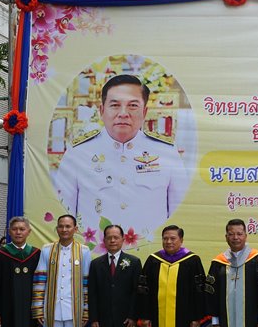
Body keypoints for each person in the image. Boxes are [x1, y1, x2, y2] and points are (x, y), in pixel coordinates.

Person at [55, 74, 190, 241]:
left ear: (144, 112)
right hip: (95, 253)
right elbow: (63, 212)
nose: (123, 113)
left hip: (151, 253)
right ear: (102, 110)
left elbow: (180, 212)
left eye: (133, 105)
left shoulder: (166, 152)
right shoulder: (78, 153)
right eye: (115, 105)